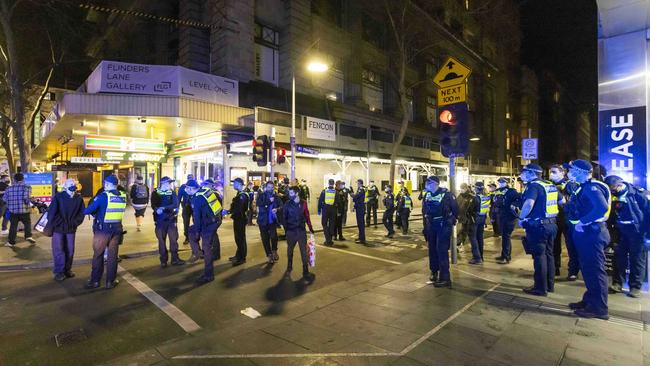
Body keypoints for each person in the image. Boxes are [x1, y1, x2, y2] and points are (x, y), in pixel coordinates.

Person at [567, 159, 611, 320]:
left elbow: (601, 208)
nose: (569, 172)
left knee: (594, 270)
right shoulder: (584, 187)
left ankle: (599, 308)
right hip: (589, 233)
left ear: (580, 172)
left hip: (592, 233)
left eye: (571, 169)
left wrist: (582, 222)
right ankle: (590, 300)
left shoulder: (591, 188)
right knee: (588, 269)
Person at [517, 164, 560, 296]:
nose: (521, 175)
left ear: (531, 173)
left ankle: (540, 288)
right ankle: (549, 285)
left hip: (538, 226)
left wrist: (521, 217)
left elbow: (529, 203)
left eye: (523, 172)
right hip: (551, 224)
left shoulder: (533, 186)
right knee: (549, 254)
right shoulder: (549, 185)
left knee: (539, 256)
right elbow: (562, 200)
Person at [604, 175, 649, 298]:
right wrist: (611, 235)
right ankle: (617, 283)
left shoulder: (638, 194)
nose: (612, 191)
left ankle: (635, 287)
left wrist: (647, 235)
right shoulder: (612, 197)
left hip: (637, 232)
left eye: (613, 188)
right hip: (620, 231)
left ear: (620, 184)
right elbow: (610, 216)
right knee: (618, 258)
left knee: (637, 259)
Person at [83, 175, 127, 289]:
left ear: (107, 184)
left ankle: (95, 281)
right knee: (112, 257)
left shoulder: (103, 196)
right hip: (116, 230)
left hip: (102, 231)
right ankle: (110, 282)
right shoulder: (123, 196)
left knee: (98, 255)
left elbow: (88, 210)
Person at [422, 176, 458, 288]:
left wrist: (450, 221)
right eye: (427, 182)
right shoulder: (426, 195)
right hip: (430, 225)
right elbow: (424, 211)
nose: (427, 184)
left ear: (436, 184)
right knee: (432, 249)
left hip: (442, 225)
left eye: (429, 182)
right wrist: (425, 228)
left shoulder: (447, 194)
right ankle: (434, 272)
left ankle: (445, 278)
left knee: (441, 250)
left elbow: (456, 210)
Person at [47, 179, 85, 281]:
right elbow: (51, 213)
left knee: (70, 250)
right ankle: (59, 271)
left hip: (71, 229)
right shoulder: (59, 197)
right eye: (70, 184)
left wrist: (74, 223)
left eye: (74, 184)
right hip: (58, 228)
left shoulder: (78, 199)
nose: (73, 186)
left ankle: (67, 270)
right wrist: (60, 223)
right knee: (59, 250)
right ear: (65, 186)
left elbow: (81, 214)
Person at [185, 179, 222, 284]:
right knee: (191, 231)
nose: (185, 190)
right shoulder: (205, 191)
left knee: (206, 248)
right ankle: (198, 253)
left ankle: (208, 275)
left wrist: (198, 232)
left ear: (191, 189)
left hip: (209, 224)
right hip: (215, 220)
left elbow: (197, 217)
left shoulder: (197, 199)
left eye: (186, 188)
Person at [549, 164, 578, 277]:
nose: (551, 174)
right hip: (554, 219)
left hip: (567, 219)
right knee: (554, 246)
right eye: (551, 171)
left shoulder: (570, 184)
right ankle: (555, 267)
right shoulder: (549, 184)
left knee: (571, 246)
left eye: (554, 172)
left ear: (563, 173)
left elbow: (573, 201)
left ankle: (573, 271)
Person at [282, 186, 315, 280]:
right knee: (290, 250)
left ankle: (305, 270)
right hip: (291, 231)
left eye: (291, 193)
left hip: (301, 231)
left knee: (304, 252)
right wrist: (287, 230)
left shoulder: (303, 203)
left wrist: (311, 228)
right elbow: (284, 218)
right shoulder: (287, 204)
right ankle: (289, 266)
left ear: (296, 193)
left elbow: (307, 216)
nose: (289, 195)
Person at [151, 176, 185, 268]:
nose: (170, 185)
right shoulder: (155, 193)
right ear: (163, 183)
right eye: (168, 183)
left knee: (173, 240)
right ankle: (163, 260)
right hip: (160, 221)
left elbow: (175, 204)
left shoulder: (172, 192)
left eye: (170, 183)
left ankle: (175, 259)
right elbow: (153, 205)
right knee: (161, 241)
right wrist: (157, 209)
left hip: (171, 219)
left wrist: (164, 208)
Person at [493, 177, 521, 264]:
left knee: (506, 236)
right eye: (499, 182)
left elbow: (520, 199)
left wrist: (514, 205)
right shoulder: (497, 191)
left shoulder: (511, 191)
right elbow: (495, 203)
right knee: (504, 236)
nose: (500, 183)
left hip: (509, 217)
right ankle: (504, 255)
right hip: (500, 216)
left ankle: (506, 257)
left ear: (507, 183)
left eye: (502, 182)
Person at [3, 173, 35, 247]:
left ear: (14, 179)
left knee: (13, 226)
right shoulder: (27, 187)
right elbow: (26, 199)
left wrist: (10, 203)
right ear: (23, 179)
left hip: (13, 211)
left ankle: (11, 242)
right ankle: (28, 236)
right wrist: (32, 199)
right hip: (24, 210)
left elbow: (4, 199)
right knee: (27, 224)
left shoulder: (8, 188)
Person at [257, 181, 281, 264]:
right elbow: (258, 203)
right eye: (269, 187)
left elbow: (281, 205)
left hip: (272, 220)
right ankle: (269, 254)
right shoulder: (261, 195)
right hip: (262, 220)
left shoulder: (276, 196)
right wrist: (268, 201)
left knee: (274, 236)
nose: (270, 189)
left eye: (272, 187)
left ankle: (274, 250)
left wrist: (277, 209)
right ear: (266, 187)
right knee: (265, 238)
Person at [228, 177, 249, 266]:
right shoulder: (240, 194)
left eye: (235, 183)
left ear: (240, 184)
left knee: (240, 238)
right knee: (238, 238)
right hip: (238, 218)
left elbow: (238, 209)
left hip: (240, 219)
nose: (233, 185)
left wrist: (228, 211)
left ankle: (242, 258)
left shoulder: (242, 195)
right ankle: (238, 255)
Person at [470, 182, 490, 264]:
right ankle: (481, 256)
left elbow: (471, 209)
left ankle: (477, 258)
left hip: (475, 219)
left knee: (473, 238)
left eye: (474, 187)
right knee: (480, 237)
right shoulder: (487, 196)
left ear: (477, 188)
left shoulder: (476, 198)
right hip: (483, 218)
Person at [318, 179, 338, 246]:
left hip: (325, 209)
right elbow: (338, 202)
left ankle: (328, 239)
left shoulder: (324, 191)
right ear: (333, 183)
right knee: (332, 224)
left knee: (324, 223)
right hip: (333, 210)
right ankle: (330, 239)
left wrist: (319, 210)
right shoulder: (336, 192)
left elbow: (320, 201)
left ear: (328, 183)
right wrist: (339, 211)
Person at [456, 183, 475, 252]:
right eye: (461, 188)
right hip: (459, 217)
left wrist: (468, 216)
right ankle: (458, 244)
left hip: (467, 218)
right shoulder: (460, 196)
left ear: (466, 188)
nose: (461, 190)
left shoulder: (470, 197)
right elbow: (457, 204)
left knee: (463, 232)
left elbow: (471, 208)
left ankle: (459, 245)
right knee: (461, 232)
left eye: (463, 188)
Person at [178, 174, 195, 245]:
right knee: (186, 223)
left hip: (194, 207)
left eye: (191, 178)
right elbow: (179, 197)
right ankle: (187, 237)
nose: (190, 179)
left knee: (196, 222)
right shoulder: (183, 187)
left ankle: (194, 236)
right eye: (189, 178)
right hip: (186, 206)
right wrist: (176, 207)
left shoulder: (196, 186)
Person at [351, 179, 367, 244]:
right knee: (359, 224)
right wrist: (354, 207)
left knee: (361, 224)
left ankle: (362, 239)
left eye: (357, 183)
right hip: (358, 207)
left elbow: (356, 197)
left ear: (360, 183)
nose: (357, 184)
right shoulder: (359, 189)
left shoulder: (361, 189)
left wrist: (351, 193)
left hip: (361, 208)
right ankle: (360, 237)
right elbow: (356, 199)